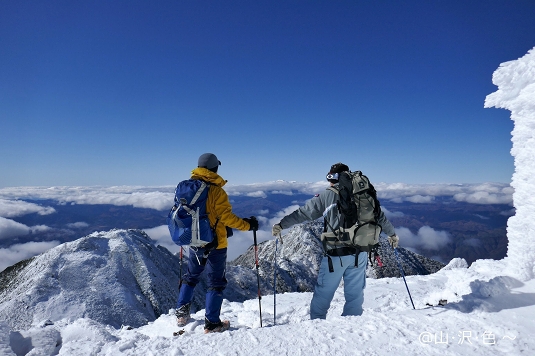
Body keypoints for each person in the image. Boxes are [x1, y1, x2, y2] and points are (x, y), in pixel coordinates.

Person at [271, 162, 399, 320]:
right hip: (361, 252)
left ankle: (317, 325)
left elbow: (302, 214)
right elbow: (380, 216)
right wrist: (392, 234)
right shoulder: (364, 193)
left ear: (332, 178)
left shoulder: (328, 195)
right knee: (355, 295)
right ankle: (352, 324)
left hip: (336, 254)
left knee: (323, 294)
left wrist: (281, 225)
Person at [175, 153, 258, 333]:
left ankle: (181, 314)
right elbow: (227, 218)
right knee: (215, 283)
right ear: (215, 168)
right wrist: (248, 225)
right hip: (215, 244)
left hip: (194, 240)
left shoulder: (184, 187)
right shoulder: (216, 191)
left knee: (191, 277)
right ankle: (212, 324)